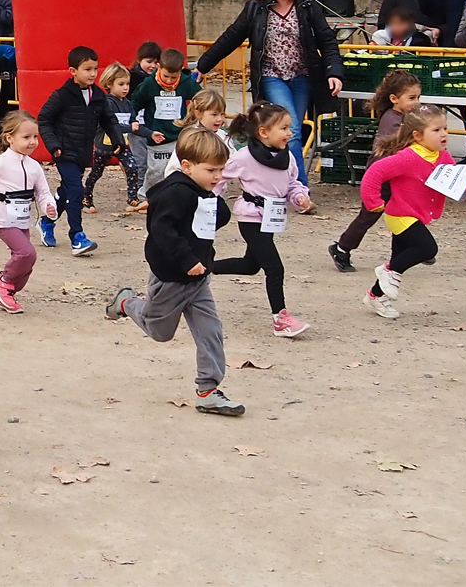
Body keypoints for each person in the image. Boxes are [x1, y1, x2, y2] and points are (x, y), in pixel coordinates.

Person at [105, 126, 244, 417]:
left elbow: (211, 222)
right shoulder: (175, 193)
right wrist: (185, 260)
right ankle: (126, 303)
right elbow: (162, 230)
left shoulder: (201, 190)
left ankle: (208, 391)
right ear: (187, 166)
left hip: (198, 278)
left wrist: (215, 203)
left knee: (211, 331)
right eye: (211, 170)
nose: (218, 177)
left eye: (221, 170)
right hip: (172, 276)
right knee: (160, 331)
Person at [194, 0, 345, 181]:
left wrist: (334, 72)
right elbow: (232, 36)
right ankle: (299, 186)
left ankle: (276, 177)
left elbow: (327, 40)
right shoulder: (257, 7)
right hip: (271, 76)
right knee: (290, 130)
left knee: (285, 132)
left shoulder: (307, 6)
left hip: (302, 76)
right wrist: (203, 65)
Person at [359, 107, 466, 318]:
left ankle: (376, 296)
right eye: (436, 130)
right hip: (400, 214)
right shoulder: (407, 157)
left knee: (399, 257)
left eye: (445, 128)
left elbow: (455, 182)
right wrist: (373, 201)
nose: (444, 134)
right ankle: (388, 271)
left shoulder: (442, 156)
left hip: (416, 214)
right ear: (417, 136)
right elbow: (375, 172)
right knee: (427, 249)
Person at [208, 103, 313, 338]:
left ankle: (205, 268)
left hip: (272, 219)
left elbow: (294, 184)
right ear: (264, 132)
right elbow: (218, 177)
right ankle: (281, 319)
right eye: (284, 128)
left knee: (251, 265)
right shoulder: (243, 158)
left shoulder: (288, 158)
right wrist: (209, 200)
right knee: (275, 268)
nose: (290, 133)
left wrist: (300, 197)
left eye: (290, 128)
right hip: (251, 218)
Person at [36, 45, 127, 256]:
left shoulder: (98, 95)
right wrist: (53, 145)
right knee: (77, 190)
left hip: (83, 153)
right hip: (64, 152)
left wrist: (118, 140)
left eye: (95, 68)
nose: (92, 74)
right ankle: (77, 237)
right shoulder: (62, 95)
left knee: (68, 190)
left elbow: (108, 119)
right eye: (87, 69)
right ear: (73, 71)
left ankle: (47, 222)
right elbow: (44, 119)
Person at [0, 110, 56, 313]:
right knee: (26, 252)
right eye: (26, 137)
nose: (32, 142)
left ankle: (8, 292)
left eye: (35, 137)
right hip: (4, 219)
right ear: (9, 138)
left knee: (28, 258)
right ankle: (3, 282)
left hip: (23, 219)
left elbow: (43, 193)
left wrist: (49, 206)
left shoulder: (34, 167)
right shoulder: (1, 163)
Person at [328, 70, 422, 272]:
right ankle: (341, 248)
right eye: (411, 98)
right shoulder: (392, 119)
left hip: (397, 175)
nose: (416, 102)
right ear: (394, 99)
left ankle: (409, 250)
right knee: (369, 216)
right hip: (381, 177)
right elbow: (398, 145)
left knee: (405, 212)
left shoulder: (405, 116)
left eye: (418, 98)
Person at [130, 46, 204, 180]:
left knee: (178, 170)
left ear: (181, 70)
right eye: (166, 76)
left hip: (179, 136)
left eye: (173, 77)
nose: (169, 81)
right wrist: (132, 120)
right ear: (159, 67)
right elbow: (135, 103)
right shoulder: (149, 83)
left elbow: (202, 98)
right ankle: (148, 195)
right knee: (156, 172)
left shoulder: (186, 83)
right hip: (157, 136)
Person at [82, 62, 142, 213]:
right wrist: (130, 127)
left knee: (132, 167)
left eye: (127, 84)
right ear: (109, 84)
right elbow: (109, 124)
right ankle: (86, 197)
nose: (125, 88)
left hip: (122, 144)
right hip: (105, 145)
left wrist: (142, 128)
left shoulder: (127, 103)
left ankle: (132, 198)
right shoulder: (106, 103)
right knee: (97, 172)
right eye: (121, 84)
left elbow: (133, 120)